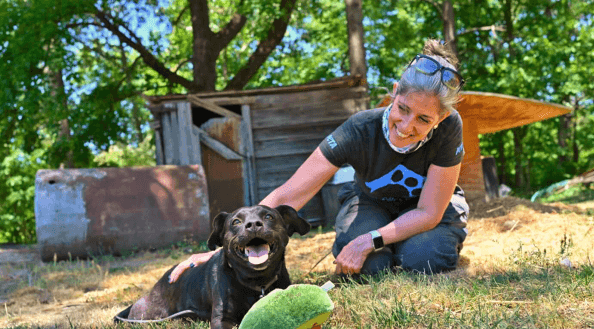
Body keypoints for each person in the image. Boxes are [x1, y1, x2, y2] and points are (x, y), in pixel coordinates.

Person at [169, 39, 469, 283]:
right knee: (370, 271)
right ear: (394, 93)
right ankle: (386, 243)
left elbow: (429, 212)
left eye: (423, 118)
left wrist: (368, 241)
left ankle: (409, 245)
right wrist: (225, 245)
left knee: (423, 261)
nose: (406, 126)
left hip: (426, 208)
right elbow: (291, 193)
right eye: (402, 108)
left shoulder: (450, 127)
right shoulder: (359, 128)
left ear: (440, 118)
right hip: (373, 203)